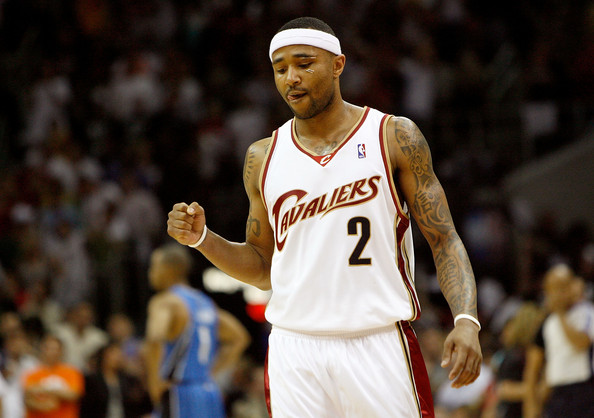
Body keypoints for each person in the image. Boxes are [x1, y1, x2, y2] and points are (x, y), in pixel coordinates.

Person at [166, 16, 482, 417]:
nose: (291, 78)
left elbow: (445, 238)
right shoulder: (262, 157)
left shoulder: (393, 136)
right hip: (294, 349)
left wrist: (466, 319)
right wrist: (202, 238)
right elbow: (262, 269)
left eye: (304, 64)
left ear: (338, 64)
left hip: (378, 343)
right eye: (280, 69)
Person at [143, 243, 251, 418]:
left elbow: (154, 339)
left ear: (169, 269)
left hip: (179, 392)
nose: (150, 273)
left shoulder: (165, 302)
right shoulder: (205, 303)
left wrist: (154, 384)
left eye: (154, 266)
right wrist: (211, 372)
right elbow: (240, 338)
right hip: (209, 391)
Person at [523, 264, 594, 418]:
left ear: (573, 285)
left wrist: (561, 314)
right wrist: (532, 406)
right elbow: (533, 368)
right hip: (557, 394)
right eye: (554, 289)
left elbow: (581, 343)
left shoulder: (587, 312)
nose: (559, 293)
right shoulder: (546, 323)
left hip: (584, 389)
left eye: (564, 287)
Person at [79, 341, 152, 418]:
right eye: (113, 354)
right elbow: (87, 408)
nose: (117, 358)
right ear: (104, 357)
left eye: (119, 354)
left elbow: (142, 403)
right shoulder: (92, 380)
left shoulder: (129, 380)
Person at [22, 334, 84, 418]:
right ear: (42, 350)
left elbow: (74, 395)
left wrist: (43, 389)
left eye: (56, 349)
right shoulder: (32, 374)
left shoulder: (71, 372)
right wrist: (46, 405)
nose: (52, 352)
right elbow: (27, 398)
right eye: (48, 348)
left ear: (62, 351)